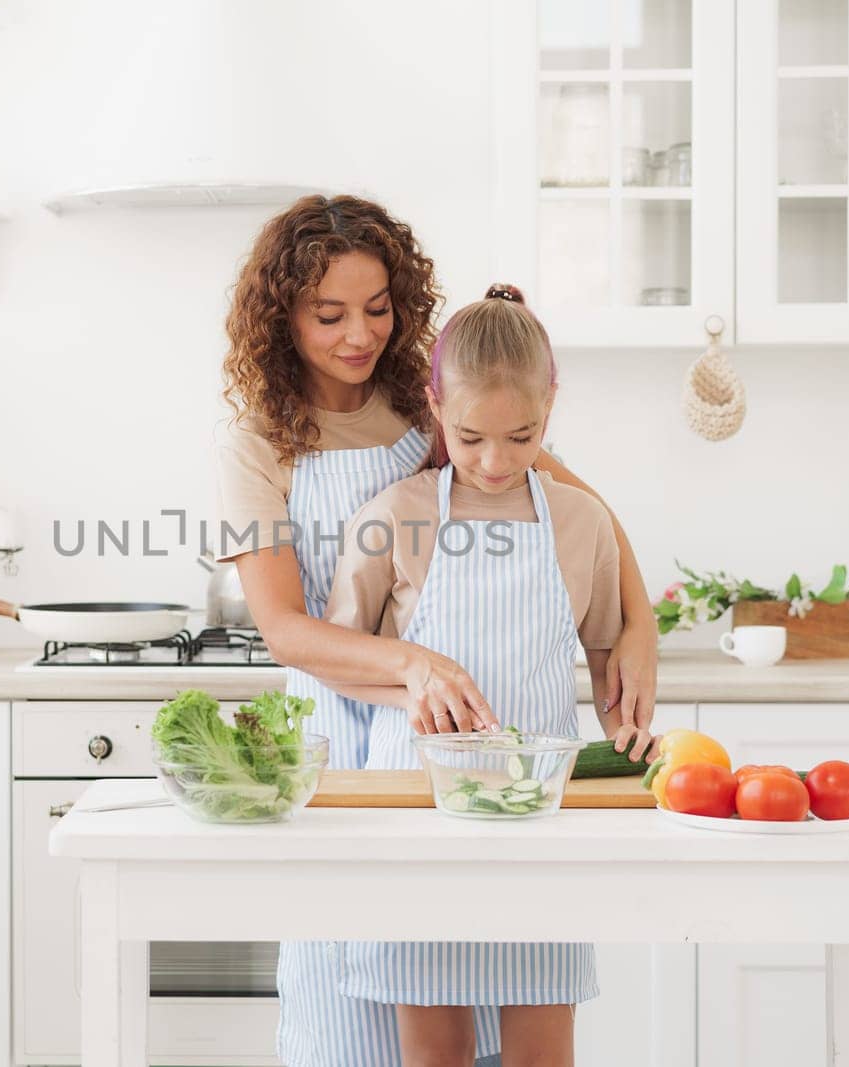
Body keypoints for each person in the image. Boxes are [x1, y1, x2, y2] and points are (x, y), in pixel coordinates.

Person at [214, 196, 658, 1067]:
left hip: (479, 762)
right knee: (356, 1025)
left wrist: (638, 626)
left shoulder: (444, 408)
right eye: (328, 313)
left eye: (378, 308)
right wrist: (416, 664)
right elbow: (286, 631)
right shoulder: (259, 442)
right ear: (281, 316)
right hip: (355, 752)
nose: (358, 334)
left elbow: (582, 513)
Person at [323, 284, 615, 1066]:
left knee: (541, 1050)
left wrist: (629, 730)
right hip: (419, 814)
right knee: (434, 1054)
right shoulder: (397, 513)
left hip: (539, 818)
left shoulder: (583, 522)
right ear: (435, 405)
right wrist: (410, 689)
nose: (493, 461)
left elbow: (609, 653)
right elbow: (340, 660)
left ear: (551, 407)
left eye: (521, 437)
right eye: (469, 436)